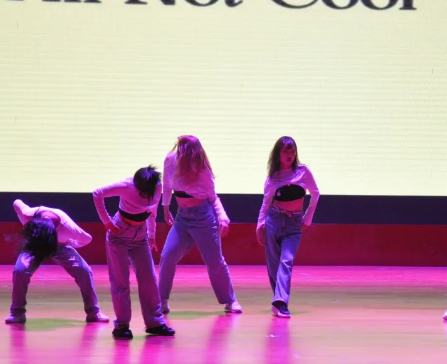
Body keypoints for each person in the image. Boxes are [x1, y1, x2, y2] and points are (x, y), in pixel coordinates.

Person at [158, 135, 242, 314]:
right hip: (182, 217)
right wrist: (165, 209)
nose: (181, 152)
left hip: (203, 217)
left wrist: (223, 218)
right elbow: (167, 186)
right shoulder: (170, 160)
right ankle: (161, 300)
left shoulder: (201, 168)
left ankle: (230, 300)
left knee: (214, 261)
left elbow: (213, 197)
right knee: (168, 255)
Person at [93, 166, 175, 339]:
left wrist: (151, 235)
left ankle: (155, 323)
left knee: (149, 280)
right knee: (121, 282)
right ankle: (121, 326)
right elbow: (97, 193)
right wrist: (106, 222)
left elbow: (152, 212)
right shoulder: (126, 185)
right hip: (119, 234)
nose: (145, 196)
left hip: (141, 235)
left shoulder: (157, 186)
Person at [5, 199, 109, 324]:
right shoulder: (28, 215)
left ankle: (93, 312)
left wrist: (69, 242)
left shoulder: (67, 227)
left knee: (84, 271)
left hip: (59, 245)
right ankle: (17, 313)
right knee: (20, 270)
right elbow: (16, 202)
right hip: (35, 243)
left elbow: (87, 239)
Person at [256, 136, 320, 318]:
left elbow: (316, 194)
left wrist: (307, 218)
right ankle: (279, 300)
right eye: (286, 151)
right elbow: (266, 203)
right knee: (273, 264)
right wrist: (259, 225)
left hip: (294, 223)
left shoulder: (303, 172)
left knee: (287, 261)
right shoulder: (273, 177)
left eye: (292, 151)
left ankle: (280, 302)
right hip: (274, 221)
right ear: (279, 153)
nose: (290, 155)